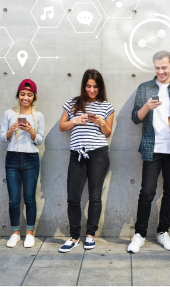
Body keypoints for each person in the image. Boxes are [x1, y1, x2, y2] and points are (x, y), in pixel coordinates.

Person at [127, 50, 170, 254]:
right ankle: (139, 234)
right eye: (157, 67)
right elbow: (135, 118)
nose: (161, 71)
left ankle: (163, 232)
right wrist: (146, 107)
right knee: (147, 192)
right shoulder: (145, 88)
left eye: (164, 67)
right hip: (152, 147)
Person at [58, 69, 115, 253]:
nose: (92, 90)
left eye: (95, 87)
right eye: (89, 86)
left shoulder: (106, 106)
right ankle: (74, 236)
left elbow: (108, 133)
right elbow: (62, 127)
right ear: (84, 85)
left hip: (98, 154)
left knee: (95, 196)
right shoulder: (73, 103)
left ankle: (90, 235)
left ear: (100, 87)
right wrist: (75, 121)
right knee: (73, 197)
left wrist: (101, 122)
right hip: (78, 154)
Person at [0, 79, 45, 248]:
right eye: (23, 94)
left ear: (34, 97)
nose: (26, 98)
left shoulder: (38, 115)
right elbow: (2, 138)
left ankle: (30, 233)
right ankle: (15, 233)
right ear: (18, 95)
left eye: (29, 95)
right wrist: (11, 130)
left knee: (30, 198)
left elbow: (40, 140)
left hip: (31, 159)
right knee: (14, 199)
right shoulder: (8, 114)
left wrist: (32, 131)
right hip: (12, 159)